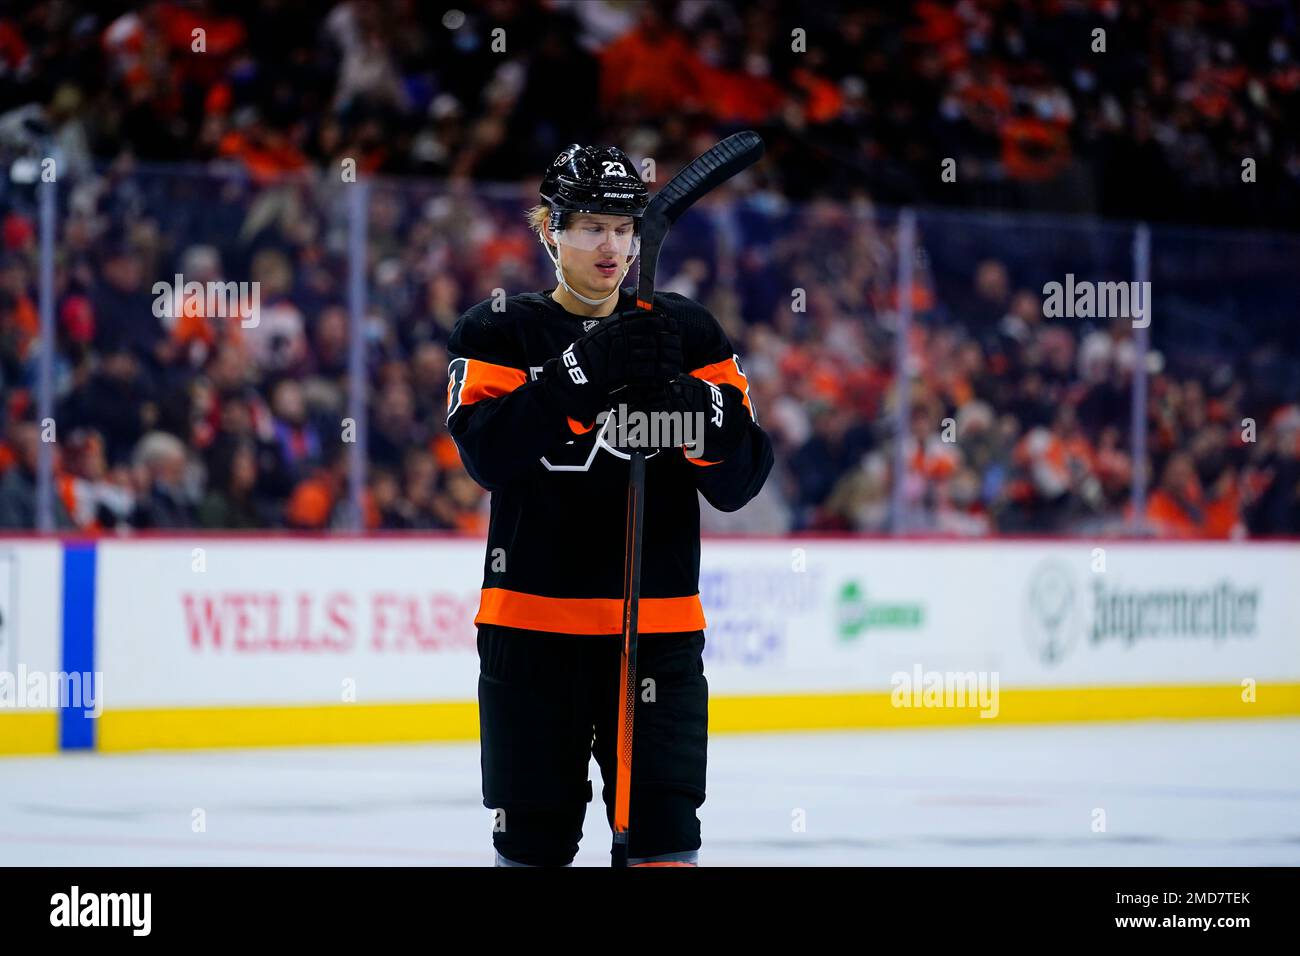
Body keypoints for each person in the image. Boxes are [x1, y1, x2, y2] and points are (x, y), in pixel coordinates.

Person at [446, 144, 773, 866]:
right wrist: (581, 372)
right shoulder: (499, 330)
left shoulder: (686, 335)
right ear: (549, 230)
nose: (612, 245)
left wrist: (690, 403)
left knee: (663, 842)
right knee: (533, 844)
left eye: (624, 228)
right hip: (531, 636)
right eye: (591, 226)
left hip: (657, 636)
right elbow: (489, 457)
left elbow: (741, 477)